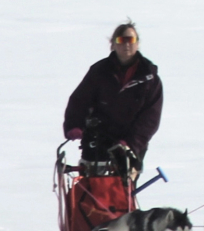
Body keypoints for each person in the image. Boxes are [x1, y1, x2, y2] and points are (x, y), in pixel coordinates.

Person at [63, 21, 163, 182]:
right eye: (121, 41)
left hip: (130, 144)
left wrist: (130, 143)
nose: (126, 45)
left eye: (130, 40)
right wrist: (74, 125)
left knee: (121, 193)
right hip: (98, 139)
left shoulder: (150, 78)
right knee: (92, 187)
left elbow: (151, 118)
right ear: (113, 45)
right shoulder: (99, 71)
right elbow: (79, 100)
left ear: (137, 43)